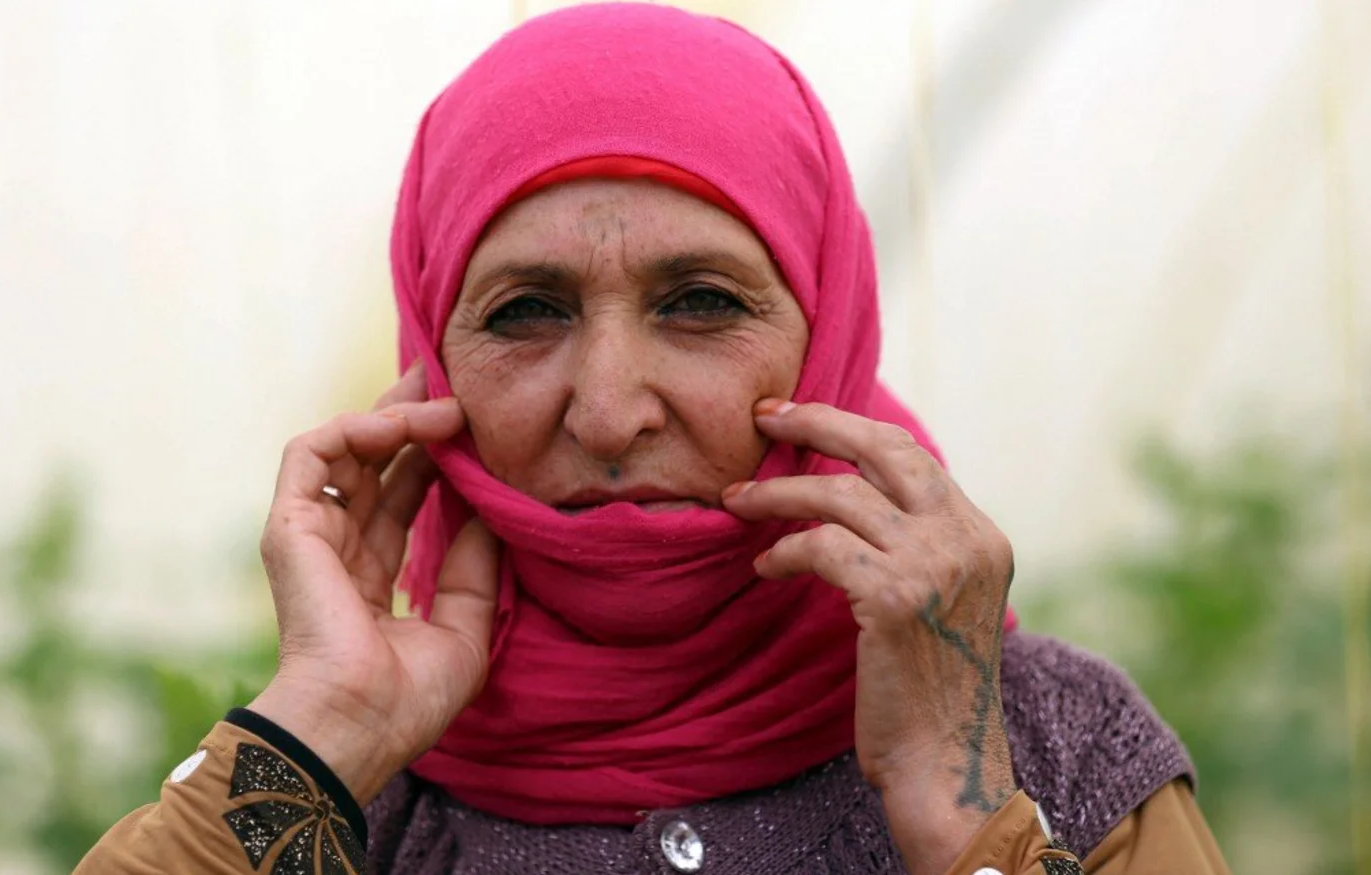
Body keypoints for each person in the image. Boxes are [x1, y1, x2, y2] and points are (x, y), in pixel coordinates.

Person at [76, 5, 1231, 874]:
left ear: (825, 331)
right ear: (432, 354)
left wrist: (960, 809)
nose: (608, 409)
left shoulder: (1047, 742)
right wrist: (323, 730)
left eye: (702, 302)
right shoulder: (336, 791)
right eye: (524, 312)